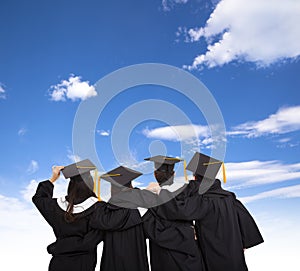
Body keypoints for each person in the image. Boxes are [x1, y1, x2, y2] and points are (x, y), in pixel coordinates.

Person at [152, 152, 264, 271]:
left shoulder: (204, 200)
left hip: (214, 255)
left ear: (196, 178)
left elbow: (179, 210)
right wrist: (243, 243)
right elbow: (246, 222)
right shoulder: (229, 198)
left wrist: (161, 193)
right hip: (234, 254)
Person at [32, 159, 142, 271]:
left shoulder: (55, 207)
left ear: (70, 185)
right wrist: (132, 193)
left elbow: (39, 199)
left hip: (58, 263)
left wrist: (53, 178)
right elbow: (117, 217)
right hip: (84, 264)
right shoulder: (97, 208)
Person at [110, 155, 205, 271]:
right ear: (173, 173)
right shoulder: (188, 193)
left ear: (155, 174)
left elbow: (148, 226)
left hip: (162, 257)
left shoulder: (148, 199)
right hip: (188, 255)